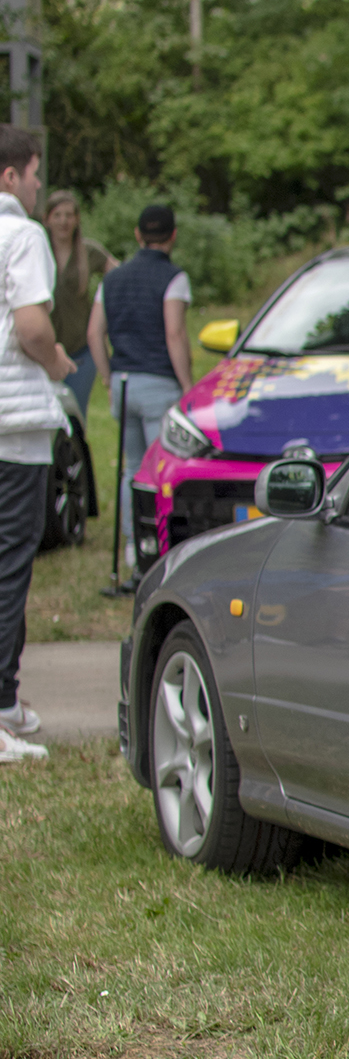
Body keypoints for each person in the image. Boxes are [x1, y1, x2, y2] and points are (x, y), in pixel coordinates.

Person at [0, 125, 76, 759]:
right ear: (10, 176)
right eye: (33, 174)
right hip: (13, 425)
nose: (36, 185)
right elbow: (30, 325)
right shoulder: (20, 234)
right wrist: (56, 363)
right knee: (9, 564)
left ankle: (7, 702)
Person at [87, 204, 194, 557]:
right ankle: (161, 547)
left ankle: (134, 546)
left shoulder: (112, 278)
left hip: (123, 382)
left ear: (137, 235)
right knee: (160, 471)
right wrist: (187, 385)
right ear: (174, 236)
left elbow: (94, 333)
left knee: (130, 469)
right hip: (158, 384)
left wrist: (107, 375)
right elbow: (175, 334)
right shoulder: (174, 278)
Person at [40, 190, 116, 416]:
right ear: (47, 219)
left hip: (81, 352)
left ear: (77, 219)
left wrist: (105, 311)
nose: (63, 221)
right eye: (57, 215)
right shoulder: (38, 250)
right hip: (45, 349)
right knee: (48, 416)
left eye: (69, 215)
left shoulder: (88, 251)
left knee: (76, 415)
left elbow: (120, 277)